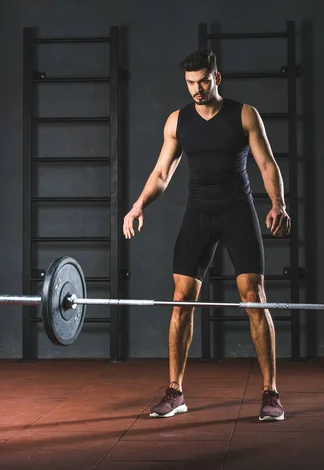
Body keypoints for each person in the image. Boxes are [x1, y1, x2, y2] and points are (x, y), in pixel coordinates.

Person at [123, 49, 291, 421]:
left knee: (254, 299)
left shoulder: (244, 114)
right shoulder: (177, 122)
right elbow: (161, 173)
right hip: (198, 214)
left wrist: (278, 204)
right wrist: (138, 206)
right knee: (181, 300)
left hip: (237, 212)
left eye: (203, 81)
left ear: (218, 77)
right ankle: (175, 391)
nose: (197, 89)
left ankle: (271, 393)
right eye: (190, 83)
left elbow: (267, 164)